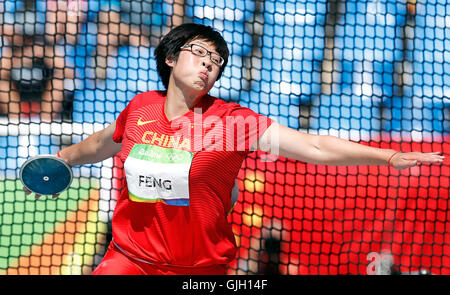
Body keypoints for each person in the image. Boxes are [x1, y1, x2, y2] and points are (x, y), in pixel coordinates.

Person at [24, 23, 445, 275]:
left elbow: (315, 145)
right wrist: (62, 159)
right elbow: (103, 142)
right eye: (201, 53)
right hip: (129, 259)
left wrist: (388, 156)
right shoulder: (140, 108)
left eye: (218, 61)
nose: (210, 63)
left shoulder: (234, 122)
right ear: (171, 58)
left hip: (200, 270)